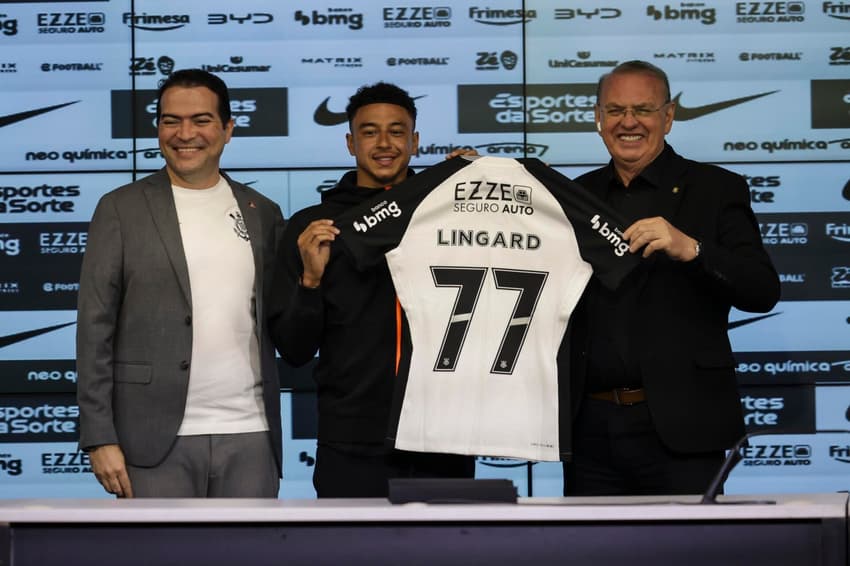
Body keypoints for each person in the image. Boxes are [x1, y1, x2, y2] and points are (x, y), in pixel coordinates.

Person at [564, 60, 780, 496]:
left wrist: (692, 249)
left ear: (668, 117)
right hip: (590, 431)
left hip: (684, 427)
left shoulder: (717, 188)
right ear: (598, 119)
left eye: (643, 109)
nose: (628, 122)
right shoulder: (575, 195)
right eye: (616, 110)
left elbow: (762, 290)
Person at [76, 69, 285, 498]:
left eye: (201, 120)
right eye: (171, 120)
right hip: (150, 439)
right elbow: (94, 329)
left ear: (228, 130)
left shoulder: (262, 211)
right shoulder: (119, 209)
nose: (184, 133)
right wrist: (99, 435)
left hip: (251, 435)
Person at [270, 82, 476, 497]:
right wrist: (310, 281)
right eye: (369, 131)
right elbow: (293, 348)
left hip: (444, 433)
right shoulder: (313, 227)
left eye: (397, 131)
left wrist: (475, 185)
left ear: (415, 142)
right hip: (350, 440)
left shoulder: (452, 210)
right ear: (350, 142)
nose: (384, 143)